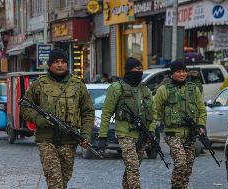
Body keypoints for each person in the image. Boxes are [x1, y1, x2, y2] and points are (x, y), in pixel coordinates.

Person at [21, 48, 95, 189]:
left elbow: (88, 112)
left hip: (69, 140)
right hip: (46, 140)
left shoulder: (77, 85)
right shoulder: (39, 84)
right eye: (56, 62)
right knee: (55, 182)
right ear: (49, 64)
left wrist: (85, 135)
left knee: (64, 180)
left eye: (63, 62)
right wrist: (38, 118)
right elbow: (24, 106)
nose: (60, 65)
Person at [98, 57, 155, 189]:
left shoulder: (144, 89)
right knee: (133, 166)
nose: (139, 71)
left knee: (132, 167)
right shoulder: (116, 88)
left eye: (141, 69)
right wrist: (102, 136)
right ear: (129, 70)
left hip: (142, 134)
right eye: (136, 69)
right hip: (125, 133)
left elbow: (153, 112)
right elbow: (106, 113)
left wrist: (151, 130)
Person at [151, 60, 207, 189]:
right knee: (181, 161)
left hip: (190, 133)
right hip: (172, 133)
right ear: (172, 74)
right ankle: (176, 186)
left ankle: (182, 186)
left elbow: (202, 110)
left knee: (188, 164)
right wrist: (151, 130)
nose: (182, 74)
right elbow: (155, 112)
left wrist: (201, 125)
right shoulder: (163, 90)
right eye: (178, 71)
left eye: (184, 71)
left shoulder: (194, 89)